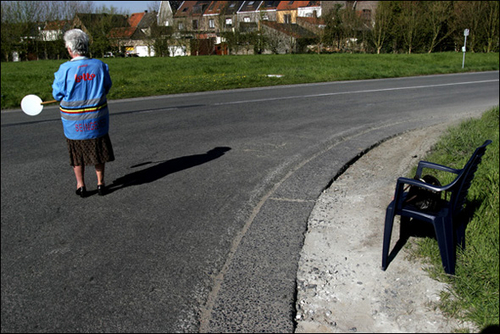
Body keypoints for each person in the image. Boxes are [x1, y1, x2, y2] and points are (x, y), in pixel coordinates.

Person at [52, 29, 115, 197]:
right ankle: (101, 183)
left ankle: (81, 185)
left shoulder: (64, 69)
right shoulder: (100, 66)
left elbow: (57, 94)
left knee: (77, 153)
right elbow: (107, 87)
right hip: (96, 119)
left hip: (74, 122)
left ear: (70, 49)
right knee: (98, 152)